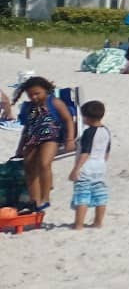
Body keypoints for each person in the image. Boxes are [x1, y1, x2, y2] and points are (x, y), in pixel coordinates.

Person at [13, 76, 75, 211]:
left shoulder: (54, 102)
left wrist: (70, 139)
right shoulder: (29, 107)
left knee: (44, 164)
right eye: (30, 95)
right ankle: (34, 199)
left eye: (37, 93)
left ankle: (45, 197)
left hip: (51, 137)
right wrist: (20, 147)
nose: (34, 97)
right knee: (29, 166)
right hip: (32, 138)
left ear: (46, 90)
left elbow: (68, 120)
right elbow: (26, 128)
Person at [69, 99, 111, 229]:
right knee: (100, 194)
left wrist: (76, 169)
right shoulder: (106, 131)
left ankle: (79, 224)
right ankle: (98, 222)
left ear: (87, 117)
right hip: (100, 165)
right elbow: (107, 151)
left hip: (87, 166)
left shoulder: (89, 132)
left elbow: (85, 152)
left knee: (83, 194)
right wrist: (102, 163)